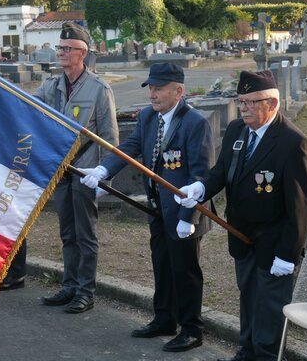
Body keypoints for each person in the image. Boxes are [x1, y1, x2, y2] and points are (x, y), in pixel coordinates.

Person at [175, 70, 307, 361]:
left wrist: (288, 255)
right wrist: (200, 188)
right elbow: (221, 172)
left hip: (275, 243)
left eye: (252, 102)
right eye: (241, 101)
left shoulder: (292, 142)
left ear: (272, 104)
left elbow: (301, 206)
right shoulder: (238, 130)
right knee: (248, 297)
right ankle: (247, 349)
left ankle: (265, 355)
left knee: (270, 305)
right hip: (242, 236)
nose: (244, 108)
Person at [80, 62, 214, 351]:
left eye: (158, 89)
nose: (152, 94)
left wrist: (188, 216)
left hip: (184, 214)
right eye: (150, 88)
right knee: (162, 265)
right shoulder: (148, 118)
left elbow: (200, 175)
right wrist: (104, 170)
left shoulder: (195, 123)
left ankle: (191, 328)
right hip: (158, 210)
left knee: (185, 271)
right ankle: (164, 318)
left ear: (178, 91)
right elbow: (130, 147)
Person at [27, 22, 119, 313]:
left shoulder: (98, 88)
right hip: (61, 171)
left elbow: (110, 137)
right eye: (60, 48)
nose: (62, 53)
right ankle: (69, 286)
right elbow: (27, 106)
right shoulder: (51, 86)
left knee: (85, 234)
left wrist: (105, 178)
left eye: (68, 49)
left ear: (82, 53)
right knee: (67, 232)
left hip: (86, 170)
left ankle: (85, 291)